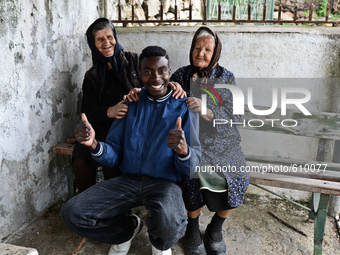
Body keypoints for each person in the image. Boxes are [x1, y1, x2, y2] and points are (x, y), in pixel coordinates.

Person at [61, 46, 201, 255]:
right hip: (128, 180)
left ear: (169, 72)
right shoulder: (131, 103)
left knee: (171, 227)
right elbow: (114, 155)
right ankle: (127, 229)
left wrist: (183, 151)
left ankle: (158, 242)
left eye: (161, 70)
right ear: (140, 74)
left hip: (164, 184)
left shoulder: (184, 108)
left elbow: (194, 166)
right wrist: (93, 144)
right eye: (147, 71)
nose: (155, 77)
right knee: (72, 212)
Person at [73, 18, 186, 192]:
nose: (106, 43)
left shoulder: (133, 60)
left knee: (114, 163)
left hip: (131, 126)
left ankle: (121, 211)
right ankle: (88, 200)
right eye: (100, 39)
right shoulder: (92, 76)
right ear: (93, 44)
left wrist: (172, 85)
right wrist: (111, 111)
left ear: (115, 37)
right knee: (80, 159)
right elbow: (88, 110)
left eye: (109, 37)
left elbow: (155, 75)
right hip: (102, 127)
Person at [170, 27, 250, 255]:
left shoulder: (226, 77)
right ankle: (192, 229)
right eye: (197, 48)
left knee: (239, 177)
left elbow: (236, 117)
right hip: (192, 141)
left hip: (223, 142)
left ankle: (215, 228)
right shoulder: (180, 75)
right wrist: (172, 89)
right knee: (190, 173)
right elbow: (167, 105)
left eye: (207, 49)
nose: (201, 53)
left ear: (215, 52)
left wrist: (209, 111)